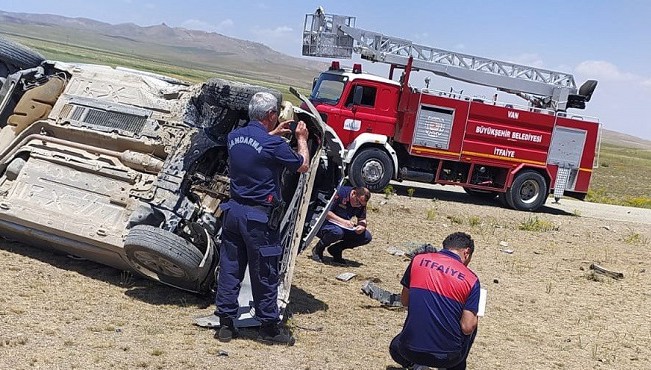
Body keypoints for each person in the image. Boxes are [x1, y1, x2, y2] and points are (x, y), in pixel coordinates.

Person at [214, 92, 310, 346]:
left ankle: (225, 323)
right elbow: (302, 165)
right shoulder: (274, 145)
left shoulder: (234, 137)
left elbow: (255, 146)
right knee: (264, 272)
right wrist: (301, 139)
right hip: (259, 217)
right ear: (270, 115)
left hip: (233, 211)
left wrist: (273, 134)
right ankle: (268, 328)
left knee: (231, 268)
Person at [389, 232, 480, 370]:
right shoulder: (471, 279)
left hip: (408, 350)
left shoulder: (418, 260)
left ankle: (416, 365)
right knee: (472, 322)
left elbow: (405, 300)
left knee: (395, 347)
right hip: (447, 358)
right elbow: (467, 327)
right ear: (466, 252)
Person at [310, 186, 372, 264]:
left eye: (361, 204)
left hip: (342, 226)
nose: (358, 205)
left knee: (366, 237)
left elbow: (362, 218)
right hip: (324, 223)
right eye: (358, 202)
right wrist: (343, 222)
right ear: (353, 193)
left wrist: (362, 226)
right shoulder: (340, 193)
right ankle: (318, 249)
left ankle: (336, 249)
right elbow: (325, 212)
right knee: (337, 232)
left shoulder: (361, 203)